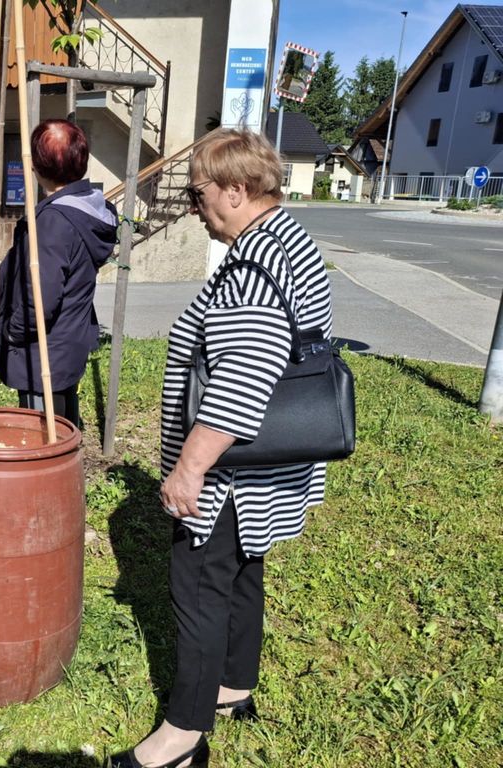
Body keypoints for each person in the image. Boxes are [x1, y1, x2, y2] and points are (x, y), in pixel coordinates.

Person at [108, 129, 333, 768]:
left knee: (198, 583)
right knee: (241, 568)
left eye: (198, 192)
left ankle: (182, 736)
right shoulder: (291, 240)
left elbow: (242, 377)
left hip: (232, 471)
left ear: (235, 191)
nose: (194, 205)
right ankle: (234, 686)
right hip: (272, 461)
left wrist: (190, 469)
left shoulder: (252, 266)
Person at [0, 119, 117, 428]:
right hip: (66, 344)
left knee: (43, 436)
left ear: (36, 165)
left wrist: (11, 332)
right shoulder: (89, 209)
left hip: (43, 352)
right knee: (64, 424)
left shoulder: (55, 220)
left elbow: (41, 299)